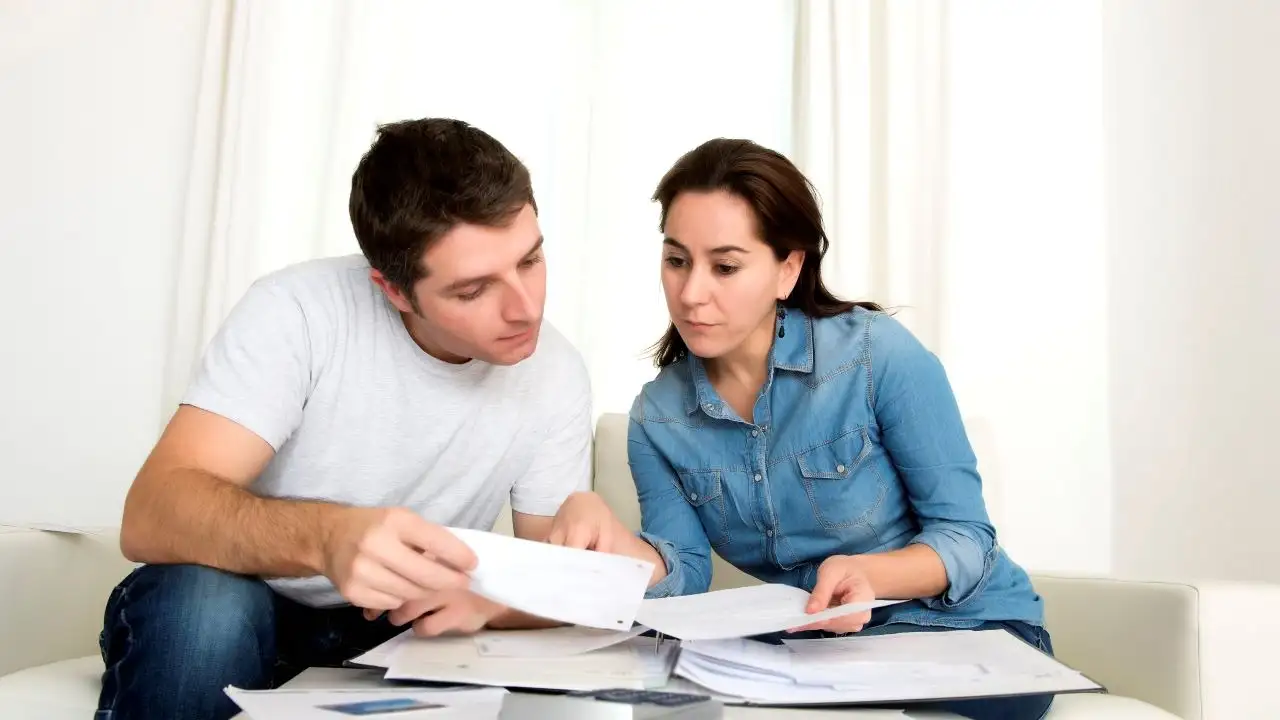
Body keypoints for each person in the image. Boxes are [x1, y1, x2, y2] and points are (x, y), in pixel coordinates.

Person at [97, 118, 592, 720]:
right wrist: (326, 538)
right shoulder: (297, 312)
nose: (526, 307)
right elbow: (150, 514)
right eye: (472, 291)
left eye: (531, 260)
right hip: (253, 603)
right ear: (394, 290)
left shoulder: (556, 371)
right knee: (205, 609)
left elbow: (548, 585)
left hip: (402, 629)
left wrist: (566, 569)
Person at [547, 138, 1053, 720]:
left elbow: (967, 537)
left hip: (969, 627)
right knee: (666, 683)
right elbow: (684, 574)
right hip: (820, 647)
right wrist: (617, 549)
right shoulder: (657, 418)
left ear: (788, 268)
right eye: (677, 259)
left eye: (726, 266)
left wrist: (869, 573)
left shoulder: (876, 356)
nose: (690, 294)